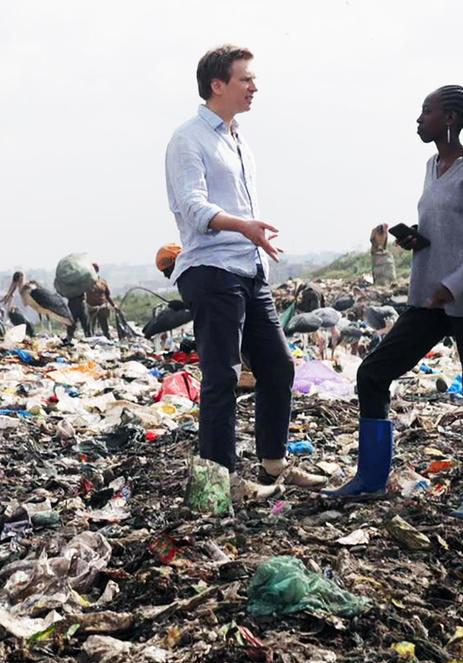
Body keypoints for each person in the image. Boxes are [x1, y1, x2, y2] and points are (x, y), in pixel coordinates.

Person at [325, 85, 463, 523]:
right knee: (373, 372)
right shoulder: (432, 166)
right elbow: (450, 232)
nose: (418, 119)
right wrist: (419, 242)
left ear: (449, 117)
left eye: (425, 111)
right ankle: (371, 479)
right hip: (430, 296)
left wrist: (457, 281)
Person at [165, 44, 294, 474]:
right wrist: (245, 227)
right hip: (212, 269)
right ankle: (220, 479)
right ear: (217, 85)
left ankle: (274, 466)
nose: (255, 87)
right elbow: (193, 207)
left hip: (250, 270)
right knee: (222, 377)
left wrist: (254, 240)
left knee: (277, 366)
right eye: (246, 79)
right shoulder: (189, 139)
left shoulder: (240, 142)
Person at [84, 263, 117, 339]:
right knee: (90, 327)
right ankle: (90, 340)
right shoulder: (86, 282)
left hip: (102, 307)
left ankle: (107, 338)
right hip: (91, 308)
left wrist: (113, 305)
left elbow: (107, 295)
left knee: (104, 326)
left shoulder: (102, 281)